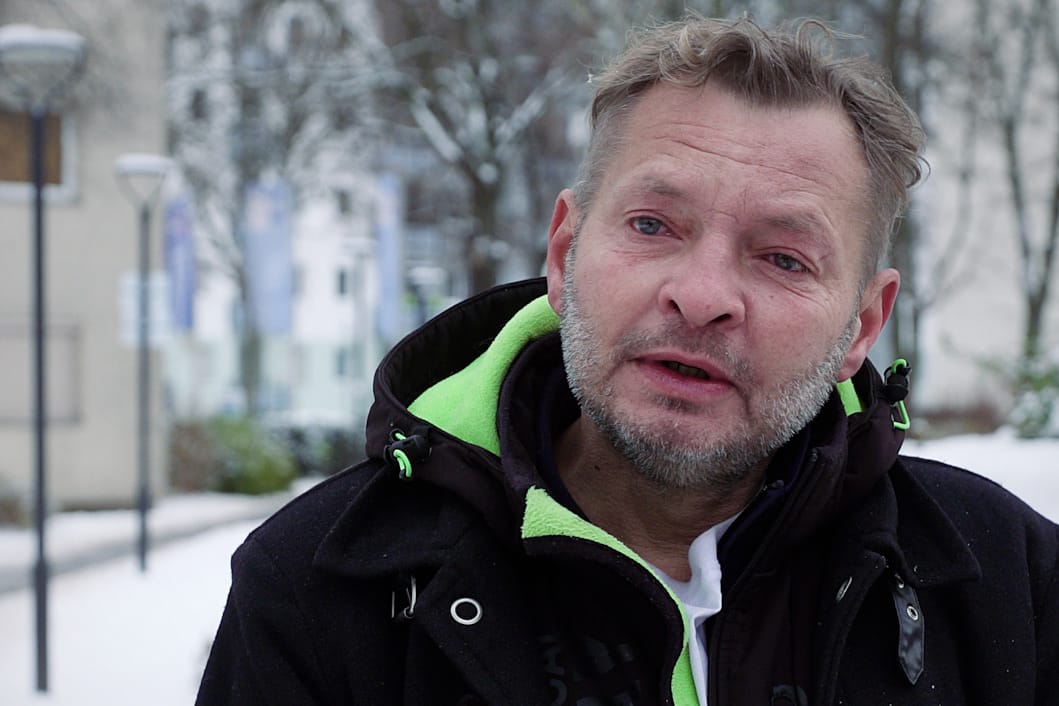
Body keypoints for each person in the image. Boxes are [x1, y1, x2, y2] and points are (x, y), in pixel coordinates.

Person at [196, 15, 1058, 706]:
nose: (702, 293)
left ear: (862, 326)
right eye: (652, 226)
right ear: (565, 254)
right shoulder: (322, 589)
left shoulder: (1005, 581)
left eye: (783, 257)